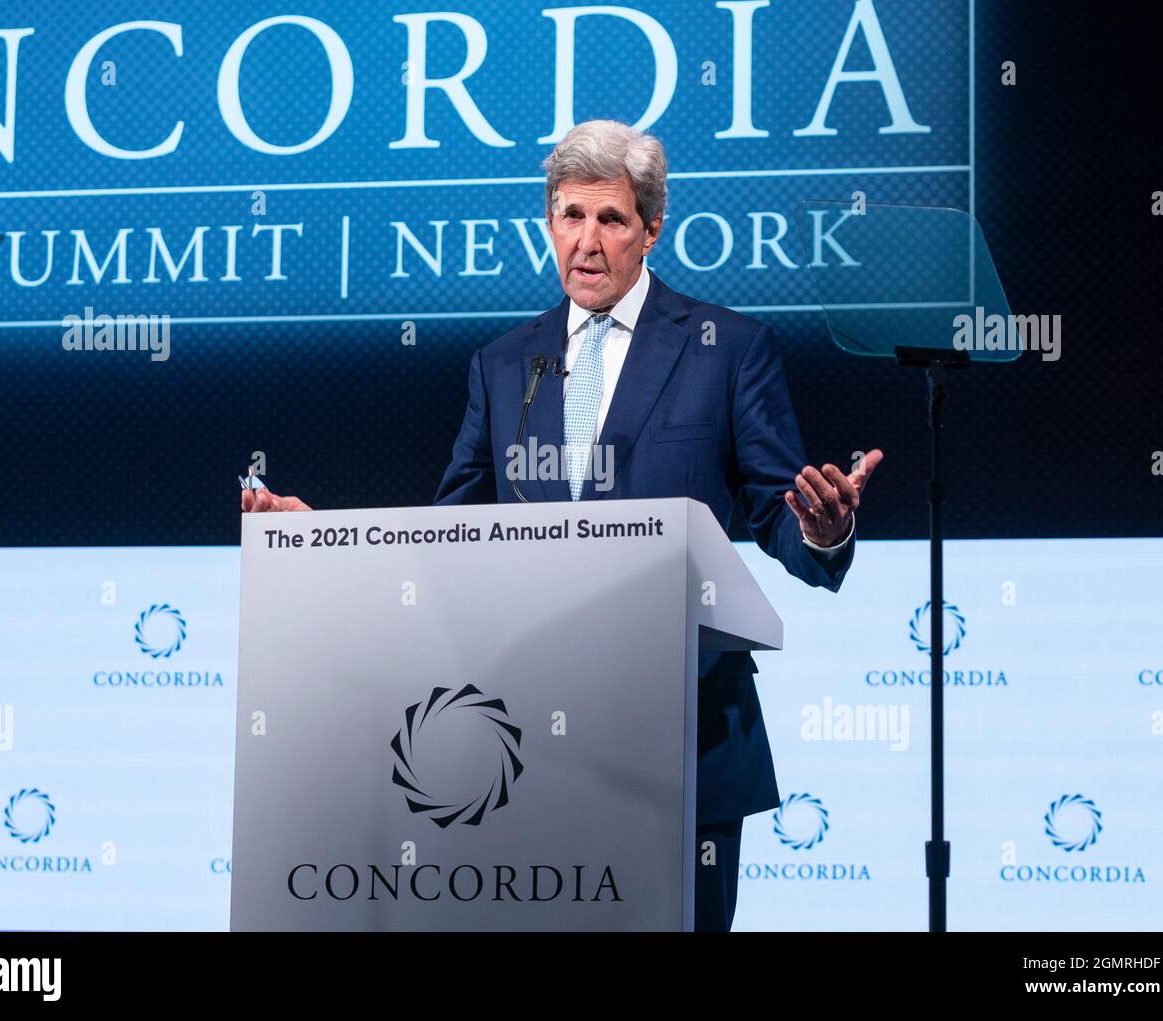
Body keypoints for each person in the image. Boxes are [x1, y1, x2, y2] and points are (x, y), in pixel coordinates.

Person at [243, 119, 883, 932]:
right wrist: (321, 545)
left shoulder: (727, 349)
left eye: (611, 219)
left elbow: (776, 515)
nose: (586, 241)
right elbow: (452, 541)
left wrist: (822, 531)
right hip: (526, 743)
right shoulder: (503, 363)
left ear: (652, 229)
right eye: (569, 216)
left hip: (682, 737)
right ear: (549, 222)